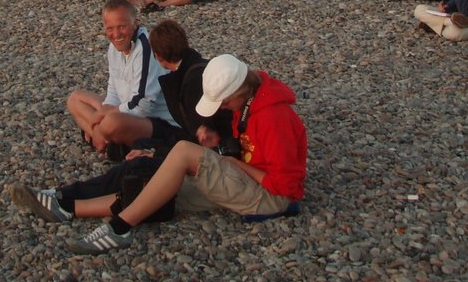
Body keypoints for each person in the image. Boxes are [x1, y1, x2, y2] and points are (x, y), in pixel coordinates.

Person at [60, 53, 306, 254]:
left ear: (239, 92)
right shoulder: (250, 102)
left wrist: (235, 165)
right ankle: (70, 208)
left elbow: (286, 187)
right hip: (249, 181)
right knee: (157, 187)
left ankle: (119, 228)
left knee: (185, 152)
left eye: (223, 103)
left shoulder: (273, 117)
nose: (222, 108)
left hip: (271, 199)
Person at [7, 20, 238, 226]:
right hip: (191, 154)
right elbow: (196, 138)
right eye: (110, 28)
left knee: (135, 172)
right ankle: (61, 200)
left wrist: (154, 149)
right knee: (134, 168)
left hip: (194, 158)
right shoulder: (193, 75)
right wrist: (152, 147)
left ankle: (62, 199)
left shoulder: (192, 82)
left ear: (158, 57)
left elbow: (191, 139)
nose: (116, 34)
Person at [66, 0, 178, 157]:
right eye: (110, 28)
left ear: (135, 23)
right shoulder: (114, 48)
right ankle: (104, 138)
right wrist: (103, 116)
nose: (116, 34)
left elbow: (142, 106)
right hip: (127, 110)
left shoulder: (147, 49)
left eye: (122, 27)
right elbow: (113, 91)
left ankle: (107, 140)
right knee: (74, 99)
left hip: (156, 120)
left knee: (111, 123)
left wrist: (106, 115)